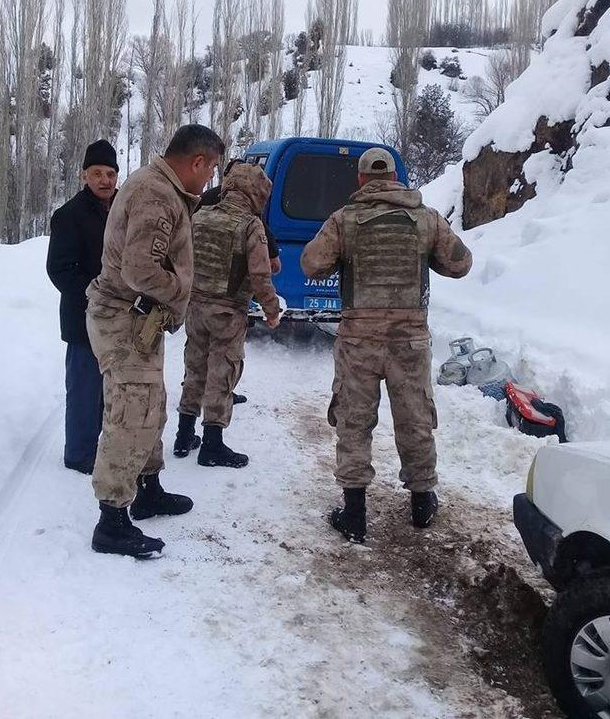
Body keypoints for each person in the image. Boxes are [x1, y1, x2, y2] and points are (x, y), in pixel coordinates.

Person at [300, 147, 472, 544]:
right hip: (409, 340)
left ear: (361, 181)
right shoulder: (426, 219)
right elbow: (461, 264)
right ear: (396, 177)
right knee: (415, 419)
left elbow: (311, 263)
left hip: (358, 339)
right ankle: (422, 504)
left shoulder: (344, 221)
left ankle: (355, 513)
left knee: (354, 421)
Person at [86, 124, 224, 558]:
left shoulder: (162, 188)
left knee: (150, 406)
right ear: (197, 161)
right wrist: (181, 290)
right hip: (124, 318)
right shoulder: (157, 195)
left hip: (139, 320)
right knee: (130, 413)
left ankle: (148, 489)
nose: (210, 179)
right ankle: (111, 520)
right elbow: (140, 271)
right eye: (211, 169)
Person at [174, 162, 281, 464]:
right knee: (222, 375)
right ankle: (211, 445)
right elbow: (260, 276)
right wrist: (272, 311)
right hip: (227, 313)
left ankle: (183, 436)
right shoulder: (250, 225)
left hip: (194, 308)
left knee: (194, 370)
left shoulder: (201, 215)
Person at [47, 139, 119, 474]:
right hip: (83, 319)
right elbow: (59, 268)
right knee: (83, 390)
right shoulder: (68, 216)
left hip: (118, 320)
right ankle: (78, 455)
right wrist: (95, 297)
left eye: (110, 173)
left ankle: (101, 444)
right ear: (83, 176)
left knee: (109, 388)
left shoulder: (121, 211)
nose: (105, 180)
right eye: (97, 173)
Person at [196, 158, 281, 409]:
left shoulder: (204, 208)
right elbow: (260, 273)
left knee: (196, 363)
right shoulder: (248, 218)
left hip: (198, 301)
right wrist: (272, 310)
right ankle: (213, 436)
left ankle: (185, 430)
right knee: (223, 366)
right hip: (228, 304)